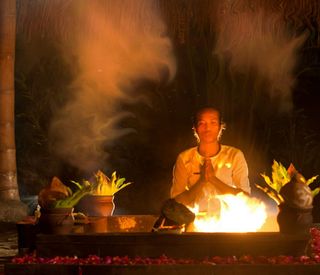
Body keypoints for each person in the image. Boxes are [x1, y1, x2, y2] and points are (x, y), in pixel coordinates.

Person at [170, 106, 251, 212]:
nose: (207, 128)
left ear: (220, 127)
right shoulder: (184, 158)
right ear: (195, 128)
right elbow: (176, 202)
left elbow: (246, 199)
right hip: (195, 223)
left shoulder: (234, 156)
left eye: (213, 123)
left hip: (229, 222)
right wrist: (201, 182)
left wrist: (213, 179)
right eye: (202, 123)